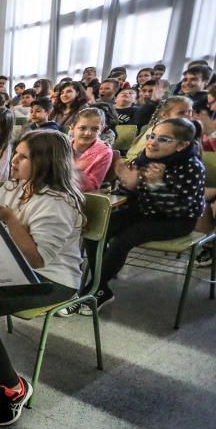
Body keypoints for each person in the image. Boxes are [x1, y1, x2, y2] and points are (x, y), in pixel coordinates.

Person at [0, 131, 86, 426]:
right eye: (16, 153)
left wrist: (10, 219)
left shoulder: (58, 202)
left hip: (52, 279)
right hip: (10, 264)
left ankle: (13, 387)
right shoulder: (15, 186)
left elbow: (37, 259)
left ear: (45, 163)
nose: (14, 160)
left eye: (23, 156)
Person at [69, 118, 207, 313]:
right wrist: (127, 185)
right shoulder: (145, 158)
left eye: (164, 139)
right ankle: (101, 286)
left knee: (123, 240)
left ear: (182, 145)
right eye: (152, 136)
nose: (152, 142)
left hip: (176, 220)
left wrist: (156, 185)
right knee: (95, 229)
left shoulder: (192, 167)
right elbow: (130, 195)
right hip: (142, 211)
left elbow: (179, 208)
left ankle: (94, 289)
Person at [68, 107, 113, 191]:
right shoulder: (62, 146)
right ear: (72, 128)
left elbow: (92, 186)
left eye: (95, 129)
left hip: (80, 196)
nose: (88, 133)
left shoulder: (104, 152)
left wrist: (75, 171)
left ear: (101, 129)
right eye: (82, 128)